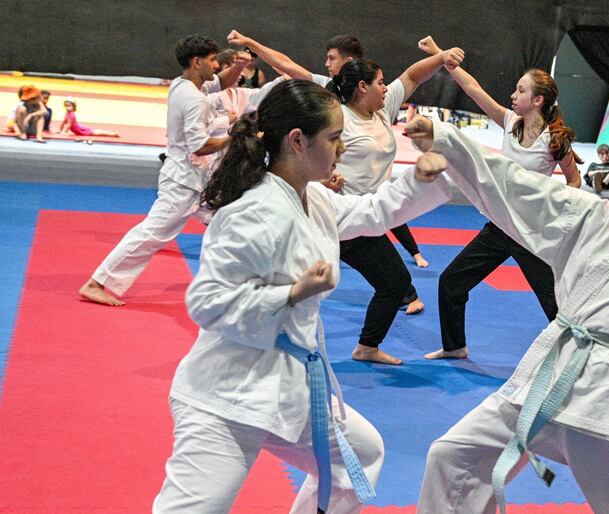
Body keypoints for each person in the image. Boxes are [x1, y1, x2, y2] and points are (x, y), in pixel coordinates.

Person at [153, 80, 452, 513]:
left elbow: (371, 213)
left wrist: (418, 180)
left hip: (289, 389)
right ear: (297, 141)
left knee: (360, 456)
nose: (342, 149)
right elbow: (208, 302)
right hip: (226, 397)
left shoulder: (313, 198)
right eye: (334, 139)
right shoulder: (250, 213)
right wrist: (290, 294)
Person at [405, 116, 609, 514]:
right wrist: (447, 139)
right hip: (546, 378)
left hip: (605, 398)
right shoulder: (591, 217)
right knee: (453, 456)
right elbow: (517, 185)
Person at [418, 36, 582, 360]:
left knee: (554, 304)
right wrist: (440, 55)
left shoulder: (555, 140)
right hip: (498, 227)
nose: (513, 95)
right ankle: (455, 347)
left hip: (530, 233)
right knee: (451, 282)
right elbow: (473, 89)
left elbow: (574, 181)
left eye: (520, 90)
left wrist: (553, 203)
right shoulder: (509, 122)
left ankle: (577, 360)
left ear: (537, 100)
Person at [226, 30, 431, 266]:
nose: (326, 63)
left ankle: (412, 263)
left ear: (349, 62)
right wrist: (251, 43)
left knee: (384, 227)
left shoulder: (374, 96)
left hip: (358, 196)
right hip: (341, 195)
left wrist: (440, 57)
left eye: (331, 58)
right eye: (334, 139)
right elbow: (286, 65)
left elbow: (413, 77)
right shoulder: (328, 87)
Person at [79, 34, 231, 306]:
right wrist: (236, 137)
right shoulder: (194, 98)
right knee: (152, 233)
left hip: (195, 180)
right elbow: (200, 146)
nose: (217, 66)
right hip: (183, 181)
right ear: (197, 62)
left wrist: (241, 65)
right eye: (212, 60)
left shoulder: (183, 84)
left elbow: (221, 82)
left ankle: (225, 282)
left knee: (227, 220)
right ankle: (97, 282)